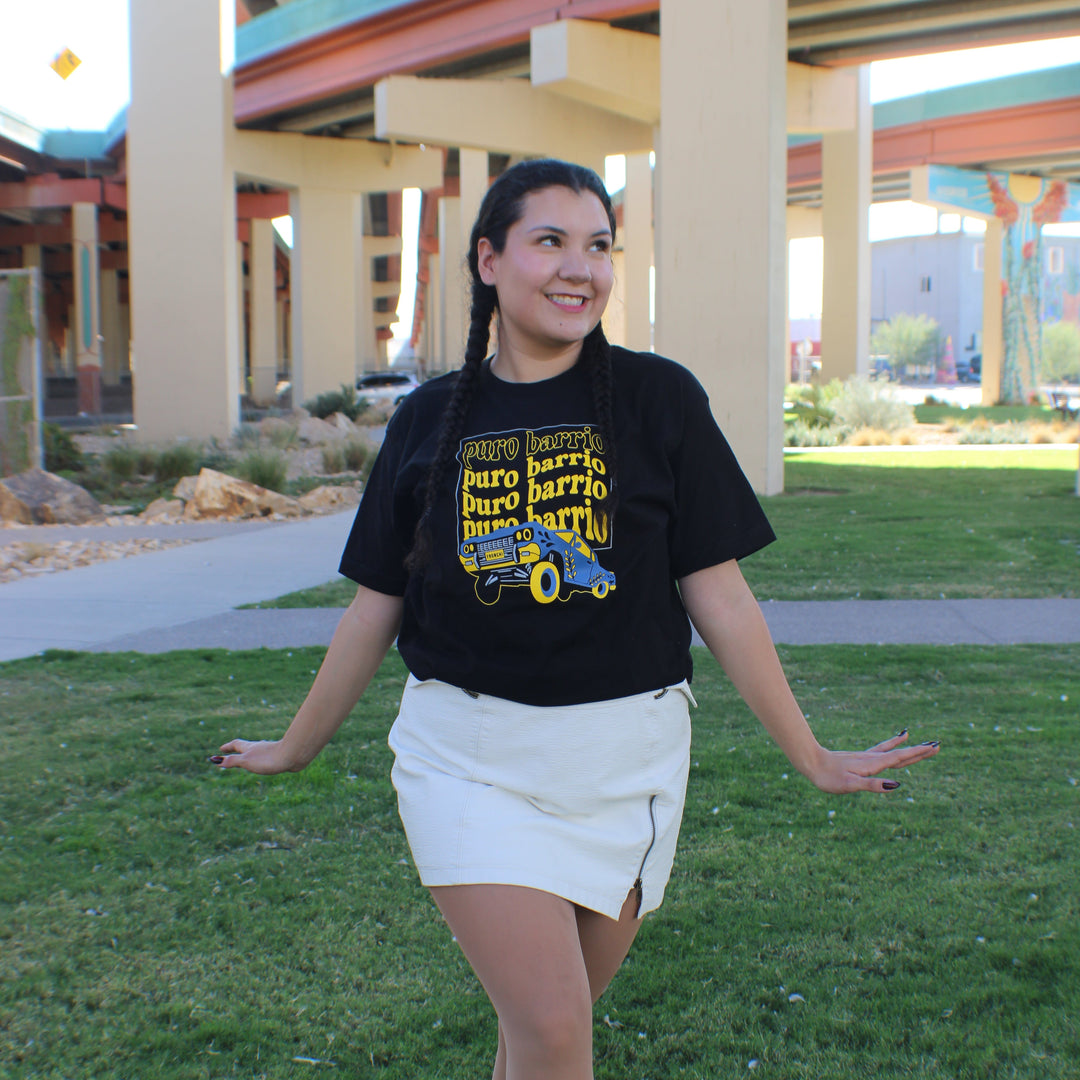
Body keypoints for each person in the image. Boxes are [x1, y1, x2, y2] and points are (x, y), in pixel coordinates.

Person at [214, 158, 939, 1080]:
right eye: (548, 240)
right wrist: (296, 745)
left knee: (538, 1036)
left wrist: (811, 753)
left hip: (627, 767)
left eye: (598, 245)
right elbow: (375, 604)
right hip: (467, 761)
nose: (579, 268)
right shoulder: (427, 420)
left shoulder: (658, 400)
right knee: (557, 1031)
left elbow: (719, 595)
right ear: (488, 260)